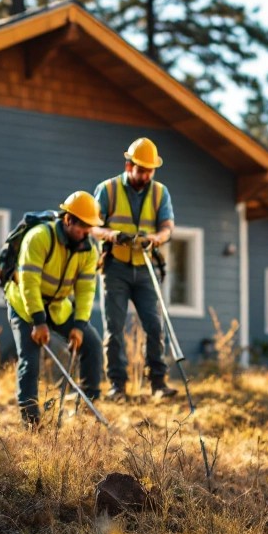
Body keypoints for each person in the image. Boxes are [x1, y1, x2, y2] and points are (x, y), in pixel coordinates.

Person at [6, 191, 104, 425]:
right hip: (25, 305)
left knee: (92, 344)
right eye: (83, 227)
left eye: (91, 228)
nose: (87, 234)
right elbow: (29, 284)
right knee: (30, 361)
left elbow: (86, 291)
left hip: (58, 306)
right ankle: (31, 422)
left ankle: (87, 408)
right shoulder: (39, 237)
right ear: (68, 220)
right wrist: (38, 322)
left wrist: (79, 326)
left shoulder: (88, 249)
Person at [91, 137, 178, 401]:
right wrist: (112, 234)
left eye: (150, 170)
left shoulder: (160, 192)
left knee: (155, 326)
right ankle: (118, 385)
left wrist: (157, 239)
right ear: (129, 166)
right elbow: (92, 226)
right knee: (114, 327)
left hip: (145, 267)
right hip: (115, 267)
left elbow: (167, 227)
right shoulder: (108, 189)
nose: (146, 175)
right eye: (141, 169)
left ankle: (158, 384)